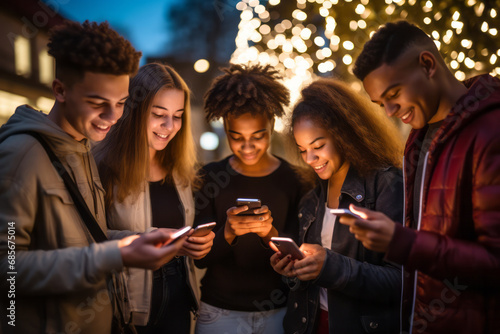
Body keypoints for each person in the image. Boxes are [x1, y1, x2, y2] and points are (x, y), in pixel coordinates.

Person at [0, 21, 186, 334]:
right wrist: (116, 254)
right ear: (60, 89)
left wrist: (135, 240)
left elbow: (87, 239)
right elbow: (8, 269)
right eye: (98, 103)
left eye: (121, 103)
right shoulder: (21, 154)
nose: (113, 118)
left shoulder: (82, 147)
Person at [341, 20, 500, 333]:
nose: (389, 111)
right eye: (380, 103)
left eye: (394, 93)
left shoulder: (491, 132)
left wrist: (402, 242)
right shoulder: (419, 136)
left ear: (427, 64)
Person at [270, 78, 404, 334]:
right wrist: (292, 270)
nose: (310, 159)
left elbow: (402, 282)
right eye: (302, 150)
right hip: (310, 324)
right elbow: (308, 283)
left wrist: (332, 267)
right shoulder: (311, 198)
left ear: (345, 135)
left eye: (318, 146)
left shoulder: (386, 185)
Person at [94, 62, 215, 333]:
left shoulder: (181, 171)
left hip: (180, 302)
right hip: (127, 308)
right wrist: (148, 237)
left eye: (178, 115)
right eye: (158, 113)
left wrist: (195, 243)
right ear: (134, 111)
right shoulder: (103, 168)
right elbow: (88, 242)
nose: (169, 126)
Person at [194, 64, 307, 334]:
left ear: (271, 126)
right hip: (219, 312)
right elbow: (200, 258)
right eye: (236, 137)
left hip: (278, 311)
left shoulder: (297, 180)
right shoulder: (209, 177)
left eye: (258, 136)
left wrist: (269, 233)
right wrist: (229, 232)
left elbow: (301, 254)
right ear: (225, 129)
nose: (247, 147)